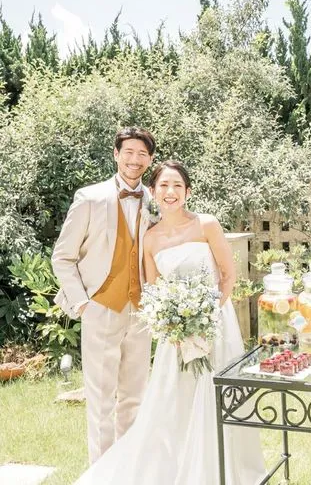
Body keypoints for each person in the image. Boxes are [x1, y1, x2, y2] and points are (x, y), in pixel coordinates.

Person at [75, 160, 266, 485]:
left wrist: (207, 317)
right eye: (163, 185)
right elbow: (153, 290)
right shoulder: (150, 239)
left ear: (188, 191)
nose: (170, 191)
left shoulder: (207, 225)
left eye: (178, 185)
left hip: (216, 326)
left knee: (220, 396)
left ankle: (224, 469)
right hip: (174, 335)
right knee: (173, 403)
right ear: (153, 191)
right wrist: (175, 329)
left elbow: (227, 276)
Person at [52, 127, 156, 463]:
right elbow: (62, 257)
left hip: (141, 312)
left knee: (134, 397)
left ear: (150, 159)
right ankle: (101, 473)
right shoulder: (90, 198)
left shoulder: (156, 200)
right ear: (116, 154)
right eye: (128, 152)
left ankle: (129, 469)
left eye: (142, 154)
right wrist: (84, 304)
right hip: (100, 308)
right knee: (100, 400)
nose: (135, 160)